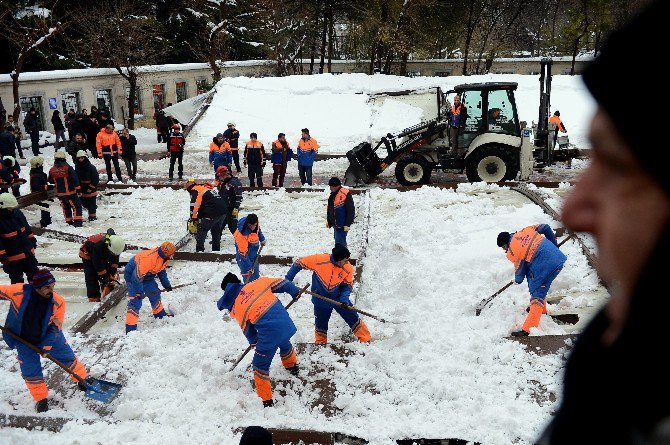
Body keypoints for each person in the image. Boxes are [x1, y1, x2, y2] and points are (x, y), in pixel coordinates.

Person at [535, 2, 670, 443]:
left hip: (544, 265)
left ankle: (536, 316)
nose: (572, 210)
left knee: (538, 293)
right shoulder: (612, 375)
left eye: (618, 165)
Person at [1, 269, 92, 413]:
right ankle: (41, 399)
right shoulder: (19, 291)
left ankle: (82, 380)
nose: (52, 290)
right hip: (23, 339)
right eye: (47, 287)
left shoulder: (58, 302)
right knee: (30, 370)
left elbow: (56, 327)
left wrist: (47, 345)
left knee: (67, 357)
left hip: (49, 336)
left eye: (53, 286)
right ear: (37, 287)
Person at [217, 272, 301, 407]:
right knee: (283, 341)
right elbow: (284, 284)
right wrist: (295, 292)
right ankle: (292, 366)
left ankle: (266, 399)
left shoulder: (238, 306)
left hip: (269, 335)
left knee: (259, 365)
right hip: (287, 325)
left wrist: (255, 342)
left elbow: (248, 331)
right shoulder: (259, 283)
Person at [285, 244, 370, 344]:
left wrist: (344, 299)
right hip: (320, 298)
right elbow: (299, 263)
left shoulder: (347, 268)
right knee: (321, 324)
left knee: (352, 317)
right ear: (338, 259)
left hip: (338, 298)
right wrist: (288, 280)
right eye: (345, 260)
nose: (347, 262)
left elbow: (347, 286)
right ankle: (321, 344)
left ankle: (366, 339)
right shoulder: (319, 260)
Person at [496, 224, 566, 336]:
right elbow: (546, 227)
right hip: (557, 258)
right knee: (536, 282)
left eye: (504, 248)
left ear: (505, 244)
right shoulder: (525, 231)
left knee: (537, 293)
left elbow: (520, 269)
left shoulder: (512, 250)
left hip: (545, 265)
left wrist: (517, 280)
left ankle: (528, 329)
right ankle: (541, 310)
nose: (505, 250)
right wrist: (553, 246)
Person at [124, 242, 176, 334]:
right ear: (167, 253)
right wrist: (139, 292)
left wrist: (166, 285)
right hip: (132, 275)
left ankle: (160, 315)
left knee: (155, 293)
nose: (173, 255)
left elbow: (161, 271)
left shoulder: (164, 258)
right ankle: (130, 328)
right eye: (172, 254)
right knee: (136, 301)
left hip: (147, 276)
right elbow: (136, 277)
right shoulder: (149, 259)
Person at [0, 193, 38, 283]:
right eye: (10, 207)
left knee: (35, 277)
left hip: (27, 252)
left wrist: (32, 239)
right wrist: (2, 256)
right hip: (13, 258)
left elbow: (26, 228)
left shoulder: (17, 213)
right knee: (17, 282)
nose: (12, 209)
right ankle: (19, 296)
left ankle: (35, 295)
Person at [79, 230, 125, 302]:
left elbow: (115, 259)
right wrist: (105, 278)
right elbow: (98, 265)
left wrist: (112, 273)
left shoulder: (115, 244)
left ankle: (107, 290)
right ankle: (94, 297)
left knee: (107, 273)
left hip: (102, 252)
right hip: (88, 255)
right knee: (91, 276)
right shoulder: (97, 247)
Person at [185, 179, 228, 252]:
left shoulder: (195, 189)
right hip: (223, 210)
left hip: (213, 211)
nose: (185, 185)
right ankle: (216, 250)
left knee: (202, 229)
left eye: (186, 183)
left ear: (190, 184)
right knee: (216, 230)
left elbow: (195, 205)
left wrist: (193, 218)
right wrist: (200, 216)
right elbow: (205, 202)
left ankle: (199, 250)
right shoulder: (203, 188)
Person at [48, 150, 83, 227]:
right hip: (70, 193)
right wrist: (79, 190)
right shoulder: (68, 168)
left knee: (66, 208)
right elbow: (75, 179)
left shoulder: (52, 170)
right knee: (76, 206)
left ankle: (69, 222)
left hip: (60, 194)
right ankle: (77, 223)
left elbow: (50, 180)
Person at [234, 213, 266, 283]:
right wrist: (249, 267)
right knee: (249, 278)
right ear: (247, 223)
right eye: (250, 226)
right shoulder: (241, 235)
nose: (252, 228)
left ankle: (256, 290)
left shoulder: (255, 223)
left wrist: (262, 239)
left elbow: (258, 230)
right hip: (243, 258)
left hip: (253, 255)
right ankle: (248, 292)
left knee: (256, 276)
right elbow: (243, 254)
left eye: (254, 225)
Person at [327, 177, 355, 247]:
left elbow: (351, 211)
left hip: (342, 225)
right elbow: (330, 208)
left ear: (336, 186)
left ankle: (343, 257)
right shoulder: (333, 194)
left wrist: (347, 224)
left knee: (340, 243)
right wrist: (329, 221)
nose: (330, 188)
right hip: (336, 225)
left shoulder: (345, 194)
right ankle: (343, 256)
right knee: (338, 241)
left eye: (331, 186)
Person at [216, 165, 243, 235]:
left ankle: (239, 240)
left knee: (233, 226)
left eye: (220, 176)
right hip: (223, 207)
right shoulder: (224, 182)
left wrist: (236, 208)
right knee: (220, 225)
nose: (220, 178)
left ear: (225, 175)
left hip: (231, 208)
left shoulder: (234, 183)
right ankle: (216, 240)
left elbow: (239, 196)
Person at [74, 150, 100, 222]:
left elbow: (96, 178)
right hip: (82, 188)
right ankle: (92, 209)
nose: (80, 160)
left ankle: (92, 217)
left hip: (90, 189)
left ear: (85, 158)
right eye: (79, 158)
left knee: (91, 204)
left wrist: (91, 187)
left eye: (82, 158)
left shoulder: (91, 167)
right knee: (84, 203)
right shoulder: (77, 167)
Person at [29, 156, 52, 227]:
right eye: (41, 164)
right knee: (44, 206)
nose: (42, 165)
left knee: (45, 205)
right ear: (38, 165)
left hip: (40, 195)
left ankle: (46, 220)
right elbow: (38, 187)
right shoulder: (37, 175)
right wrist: (48, 187)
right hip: (39, 196)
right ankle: (45, 222)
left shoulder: (37, 173)